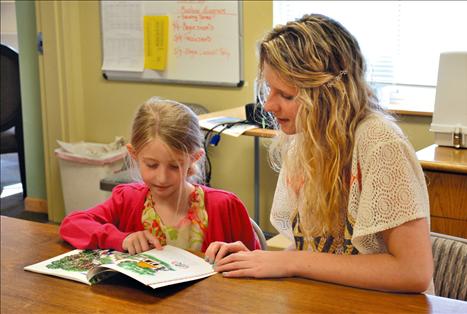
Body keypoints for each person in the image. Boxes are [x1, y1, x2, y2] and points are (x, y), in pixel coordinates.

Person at [205, 14, 434, 293]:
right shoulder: (307, 138)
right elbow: (321, 252)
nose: (268, 105)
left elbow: (413, 272)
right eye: (268, 90)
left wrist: (291, 263)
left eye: (287, 96)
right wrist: (258, 260)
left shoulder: (380, 143)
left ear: (331, 94)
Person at [60, 97, 260, 254]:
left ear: (194, 158)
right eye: (151, 165)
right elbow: (72, 225)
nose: (162, 178)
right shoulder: (126, 199)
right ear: (134, 155)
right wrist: (120, 239)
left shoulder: (225, 207)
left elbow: (254, 264)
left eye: (174, 166)